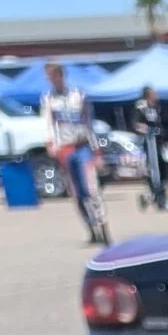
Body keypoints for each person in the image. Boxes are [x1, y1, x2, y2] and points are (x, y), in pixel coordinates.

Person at [43, 61, 108, 246]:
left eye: (54, 75)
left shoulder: (78, 95)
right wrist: (51, 144)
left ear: (61, 75)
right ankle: (91, 230)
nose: (52, 80)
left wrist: (97, 151)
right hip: (65, 148)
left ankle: (103, 227)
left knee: (92, 189)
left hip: (83, 147)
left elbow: (89, 123)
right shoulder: (49, 99)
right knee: (77, 193)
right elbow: (48, 124)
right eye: (49, 77)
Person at [134, 83, 168, 211]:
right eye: (153, 93)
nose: (156, 96)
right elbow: (136, 124)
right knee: (154, 172)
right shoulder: (141, 106)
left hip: (158, 142)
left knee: (162, 170)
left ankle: (153, 197)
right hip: (149, 143)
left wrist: (165, 138)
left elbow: (159, 124)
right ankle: (158, 199)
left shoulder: (156, 107)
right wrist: (143, 128)